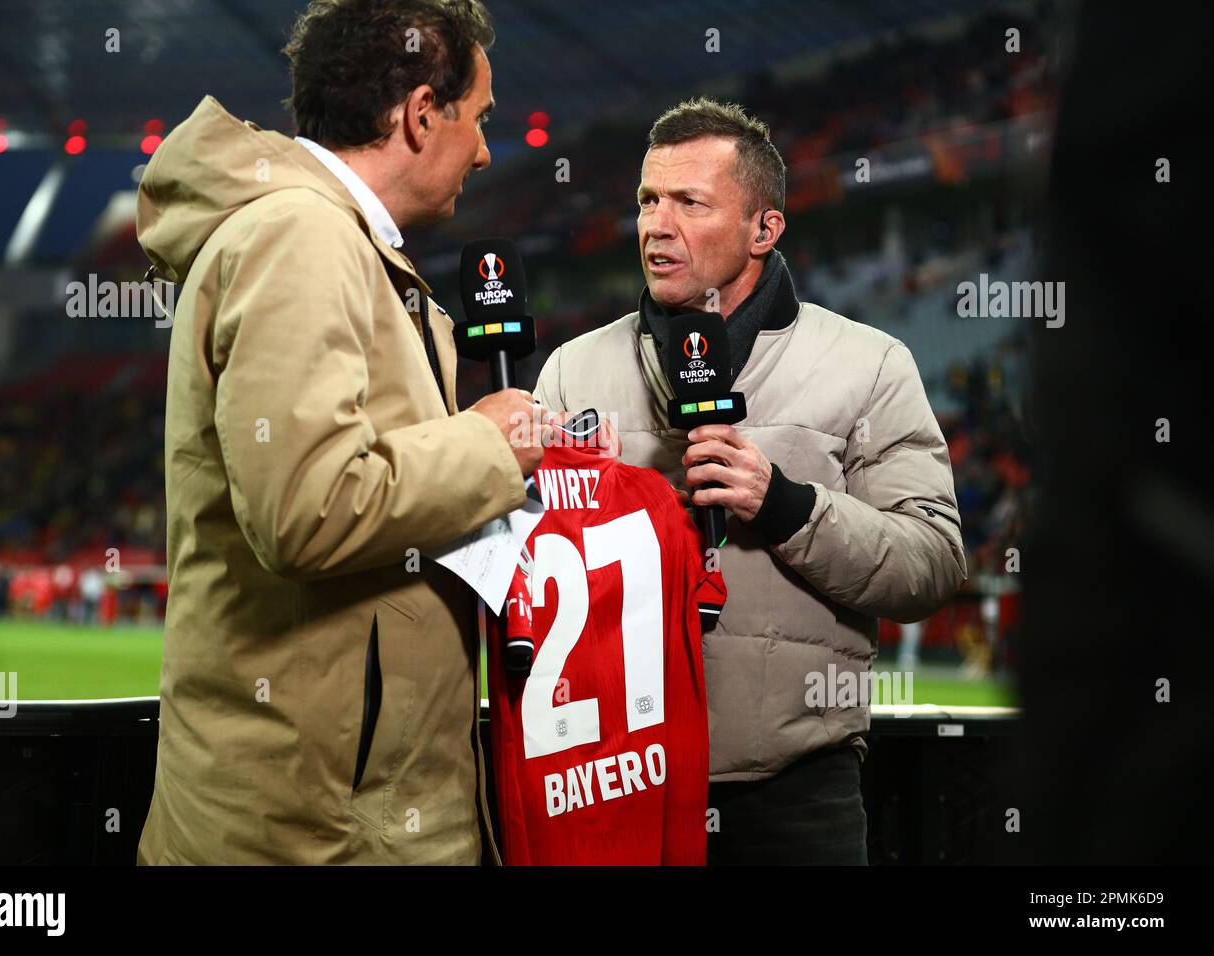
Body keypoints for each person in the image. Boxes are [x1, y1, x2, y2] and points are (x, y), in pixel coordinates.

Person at [136, 0, 546, 864]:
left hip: (323, 805)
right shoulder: (303, 237)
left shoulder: (332, 238)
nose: (482, 149)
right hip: (317, 826)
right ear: (419, 113)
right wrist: (489, 447)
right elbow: (306, 507)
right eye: (477, 120)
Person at [533, 98, 966, 864]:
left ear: (763, 229)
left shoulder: (868, 363)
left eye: (689, 203)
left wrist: (788, 506)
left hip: (794, 795)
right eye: (646, 200)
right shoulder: (574, 369)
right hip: (617, 779)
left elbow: (929, 565)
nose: (655, 226)